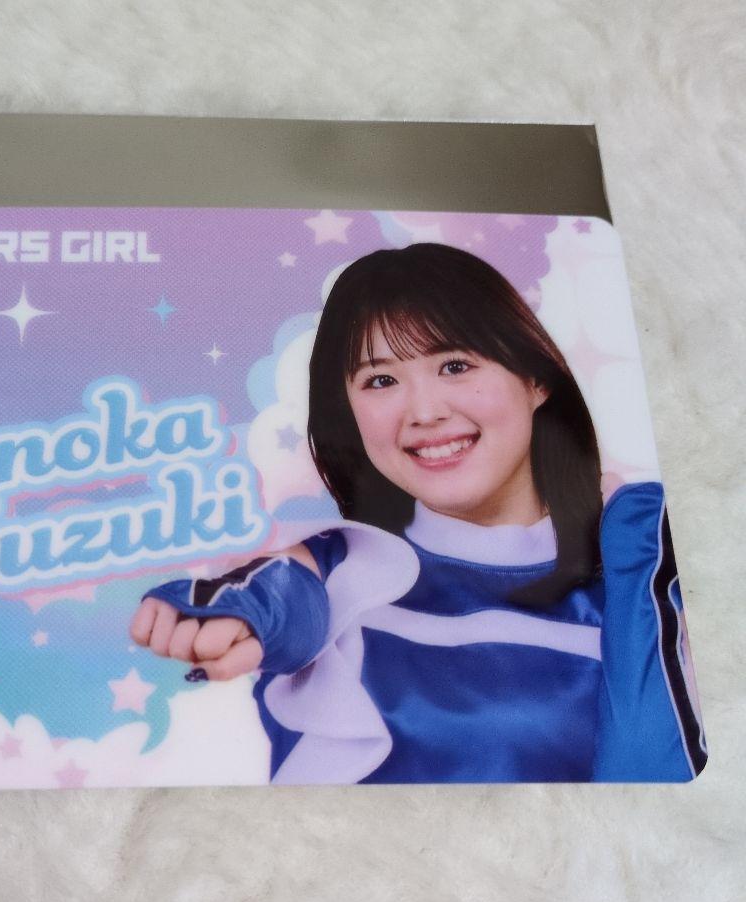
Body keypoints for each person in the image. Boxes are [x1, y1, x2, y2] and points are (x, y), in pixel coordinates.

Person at [130, 244, 706, 784]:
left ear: (535, 379)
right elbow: (287, 596)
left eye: (455, 366)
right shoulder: (342, 571)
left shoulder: (643, 554)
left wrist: (638, 547)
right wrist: (245, 612)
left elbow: (657, 775)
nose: (424, 412)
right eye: (381, 380)